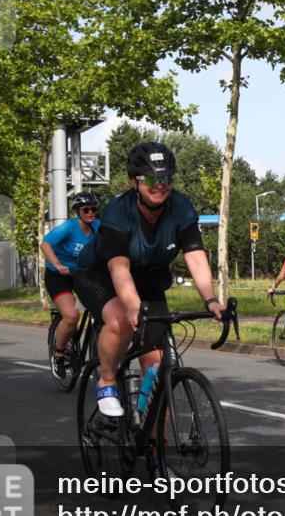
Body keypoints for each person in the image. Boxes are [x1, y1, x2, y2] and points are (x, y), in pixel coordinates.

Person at [75, 142, 224, 417]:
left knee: (156, 368)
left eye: (166, 178)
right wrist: (132, 304)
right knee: (121, 320)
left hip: (150, 279)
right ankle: (107, 381)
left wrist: (211, 299)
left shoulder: (181, 208)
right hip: (100, 274)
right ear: (134, 181)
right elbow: (119, 267)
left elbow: (195, 255)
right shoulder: (118, 211)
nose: (160, 185)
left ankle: (155, 448)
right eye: (152, 179)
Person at [40, 191, 101, 378]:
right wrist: (58, 265)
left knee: (106, 310)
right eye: (86, 210)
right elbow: (45, 244)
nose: (90, 213)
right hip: (59, 276)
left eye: (94, 209)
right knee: (71, 315)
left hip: (82, 274)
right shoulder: (68, 227)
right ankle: (58, 354)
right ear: (78, 212)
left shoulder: (99, 227)